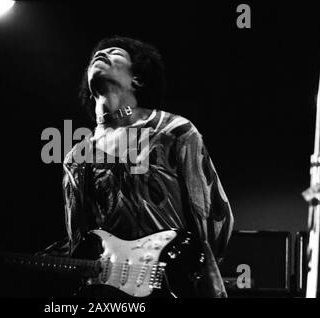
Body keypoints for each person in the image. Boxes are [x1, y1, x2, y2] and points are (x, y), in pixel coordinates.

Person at [41, 36, 234, 298]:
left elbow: (215, 219)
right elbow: (80, 244)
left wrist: (187, 276)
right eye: (97, 55)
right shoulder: (76, 158)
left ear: (138, 79)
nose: (102, 54)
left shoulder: (175, 131)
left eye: (115, 53)